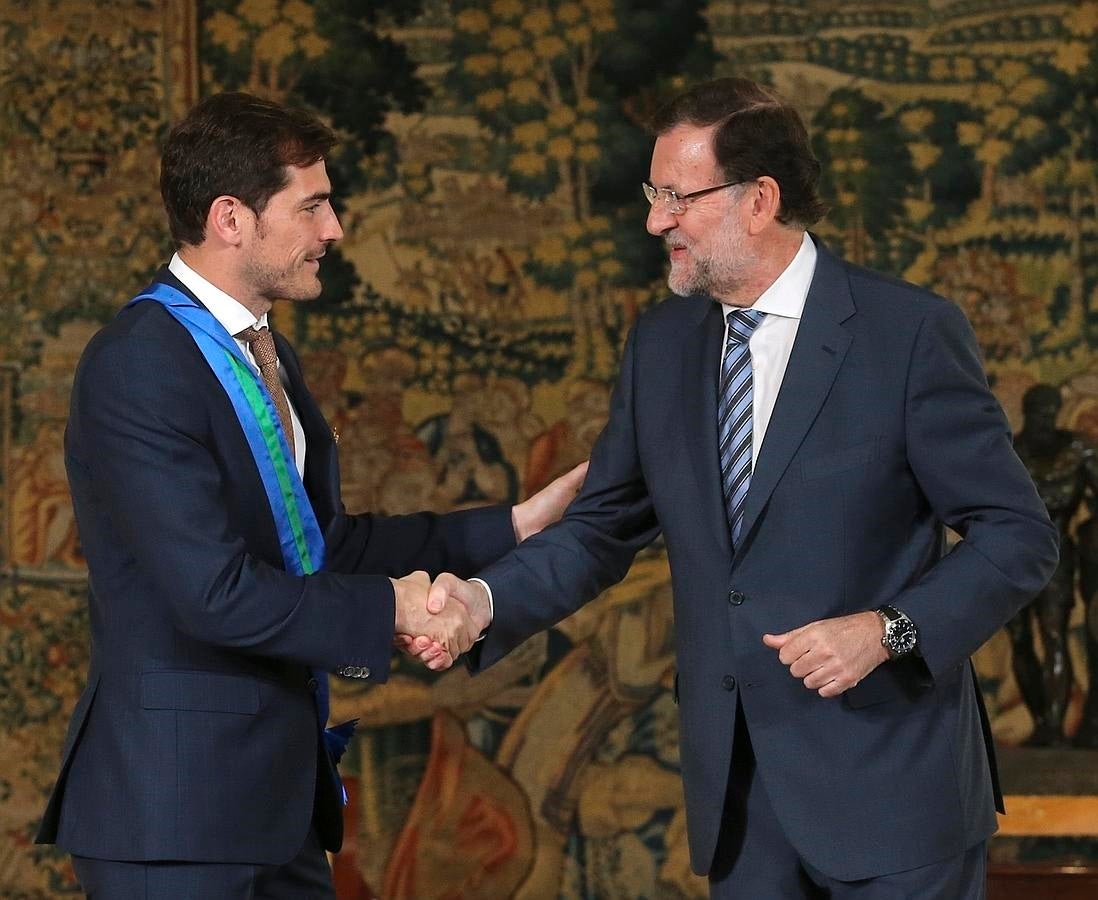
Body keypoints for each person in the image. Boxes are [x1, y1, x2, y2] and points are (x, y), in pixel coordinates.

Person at [416, 77, 1059, 898]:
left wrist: (889, 629)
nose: (656, 221)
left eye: (678, 197)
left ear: (760, 200)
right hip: (741, 810)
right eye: (655, 195)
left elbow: (1019, 536)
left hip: (897, 796)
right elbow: (600, 531)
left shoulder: (909, 334)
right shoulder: (660, 345)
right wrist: (481, 602)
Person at [34, 91, 584, 899]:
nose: (334, 230)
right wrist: (393, 610)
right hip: (177, 821)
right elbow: (213, 594)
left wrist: (510, 526)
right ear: (231, 218)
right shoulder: (140, 362)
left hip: (275, 806)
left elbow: (321, 547)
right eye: (313, 206)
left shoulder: (264, 351)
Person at [1007, 383, 1098, 745]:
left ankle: (1053, 728)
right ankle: (1041, 719)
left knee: (1054, 633)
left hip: (1055, 553)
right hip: (1008, 555)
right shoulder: (1009, 448)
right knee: (1020, 640)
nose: (1043, 419)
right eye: (1037, 411)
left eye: (1049, 411)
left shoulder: (1077, 450)